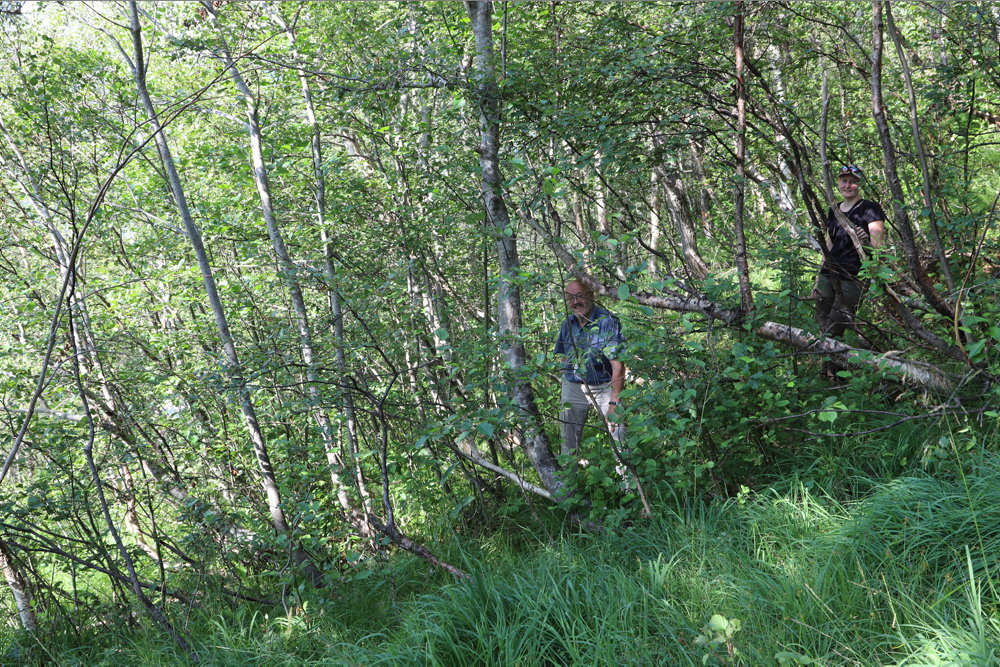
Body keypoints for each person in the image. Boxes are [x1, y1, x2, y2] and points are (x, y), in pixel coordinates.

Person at [554, 279, 625, 460]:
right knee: (568, 442)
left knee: (618, 434)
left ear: (591, 295)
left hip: (604, 385)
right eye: (570, 298)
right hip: (573, 386)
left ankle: (627, 476)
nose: (575, 302)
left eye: (579, 296)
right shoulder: (567, 323)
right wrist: (566, 385)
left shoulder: (607, 321)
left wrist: (614, 403)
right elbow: (562, 357)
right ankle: (568, 476)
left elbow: (618, 365)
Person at [814, 165, 886, 338]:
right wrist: (818, 278)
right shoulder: (834, 209)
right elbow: (829, 244)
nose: (847, 185)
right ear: (838, 182)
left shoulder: (870, 208)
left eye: (852, 182)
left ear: (859, 184)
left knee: (834, 328)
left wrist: (864, 241)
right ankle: (826, 356)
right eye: (844, 181)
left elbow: (878, 250)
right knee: (821, 321)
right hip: (828, 274)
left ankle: (837, 353)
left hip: (853, 278)